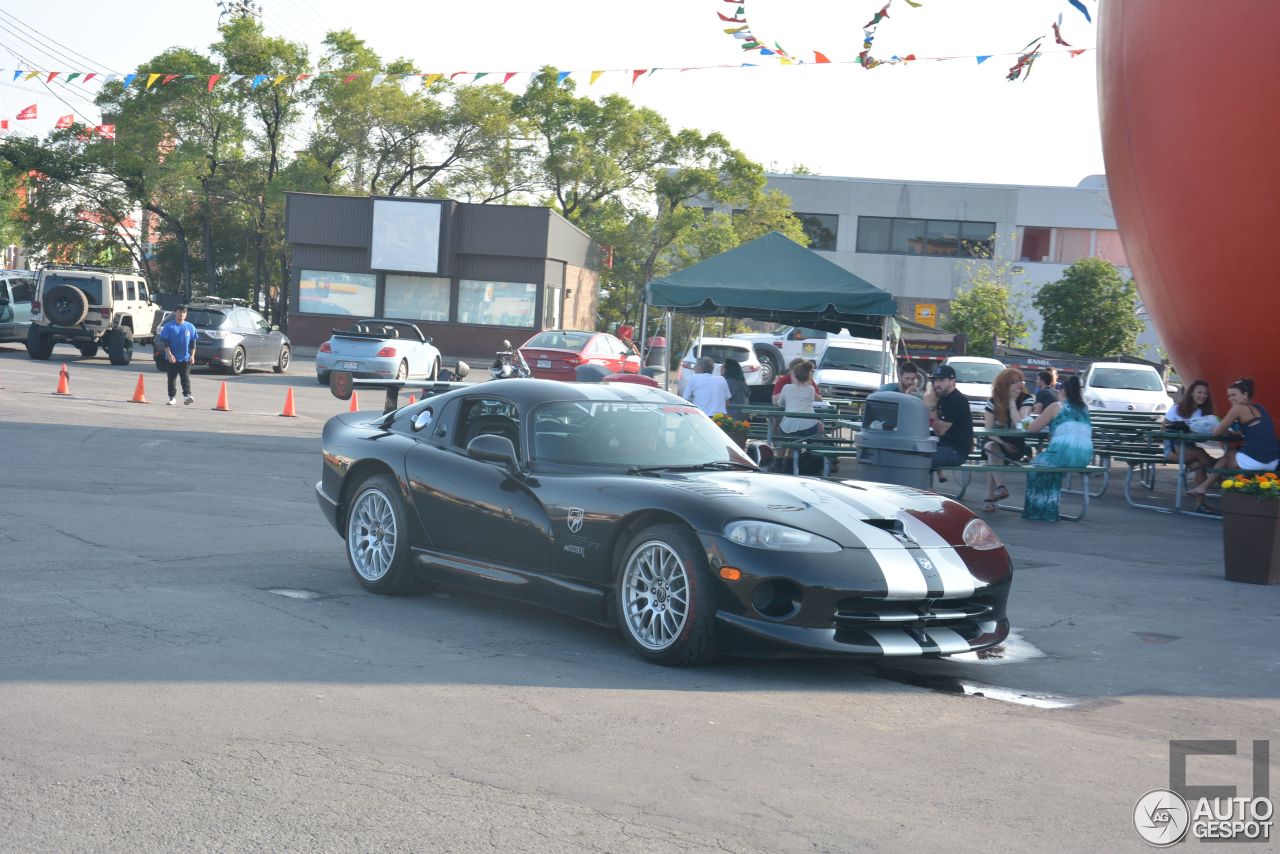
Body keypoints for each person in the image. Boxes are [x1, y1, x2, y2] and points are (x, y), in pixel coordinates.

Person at [1187, 378, 1279, 499]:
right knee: (1232, 457)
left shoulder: (1237, 409)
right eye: (1229, 396)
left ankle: (1205, 487)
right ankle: (1224, 490)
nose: (1231, 399)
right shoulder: (1260, 408)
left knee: (1227, 457)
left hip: (1256, 461)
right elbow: (1255, 430)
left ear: (1245, 395)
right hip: (1273, 461)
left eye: (1234, 395)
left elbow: (1216, 433)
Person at [1022, 375, 1093, 521]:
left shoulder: (1056, 407)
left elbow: (1033, 428)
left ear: (1063, 391)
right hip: (1085, 456)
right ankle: (1050, 507)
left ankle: (1040, 509)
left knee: (1035, 465)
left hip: (1063, 453)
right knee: (1052, 467)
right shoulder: (1085, 409)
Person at [982, 368, 1035, 512]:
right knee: (992, 448)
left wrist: (1012, 402)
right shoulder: (993, 402)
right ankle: (1001, 488)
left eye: (1020, 381)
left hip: (1016, 444)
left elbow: (1020, 425)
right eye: (1014, 382)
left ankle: (990, 497)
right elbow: (989, 431)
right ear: (1004, 384)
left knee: (992, 458)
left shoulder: (1026, 399)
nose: (1019, 384)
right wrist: (1003, 443)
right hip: (996, 441)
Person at [1163, 379, 1216, 512]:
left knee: (1199, 465)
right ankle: (1220, 477)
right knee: (1200, 453)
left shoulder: (1203, 413)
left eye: (1205, 393)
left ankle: (1200, 504)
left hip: (1189, 450)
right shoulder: (1177, 409)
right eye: (1199, 392)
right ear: (1191, 393)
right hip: (1173, 450)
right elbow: (1163, 429)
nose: (1202, 396)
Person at [774, 360, 822, 471]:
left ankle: (778, 463)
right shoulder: (811, 389)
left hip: (790, 426)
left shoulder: (786, 388)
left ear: (794, 374)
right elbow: (818, 399)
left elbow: (780, 403)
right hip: (809, 426)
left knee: (783, 436)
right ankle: (799, 463)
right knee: (816, 429)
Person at [924, 364, 973, 471]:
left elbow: (939, 431)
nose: (937, 384)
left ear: (952, 381)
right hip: (943, 445)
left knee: (923, 461)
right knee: (912, 453)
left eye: (941, 380)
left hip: (956, 451)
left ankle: (919, 487)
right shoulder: (942, 397)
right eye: (935, 380)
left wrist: (932, 406)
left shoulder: (956, 400)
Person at [157, 305, 198, 406]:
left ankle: (187, 396)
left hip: (185, 357)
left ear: (186, 314)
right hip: (172, 358)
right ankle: (172, 397)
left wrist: (192, 356)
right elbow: (165, 342)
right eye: (179, 312)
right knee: (171, 378)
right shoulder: (169, 326)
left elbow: (193, 343)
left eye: (183, 312)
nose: (181, 314)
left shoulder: (190, 327)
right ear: (175, 313)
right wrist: (169, 354)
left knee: (185, 377)